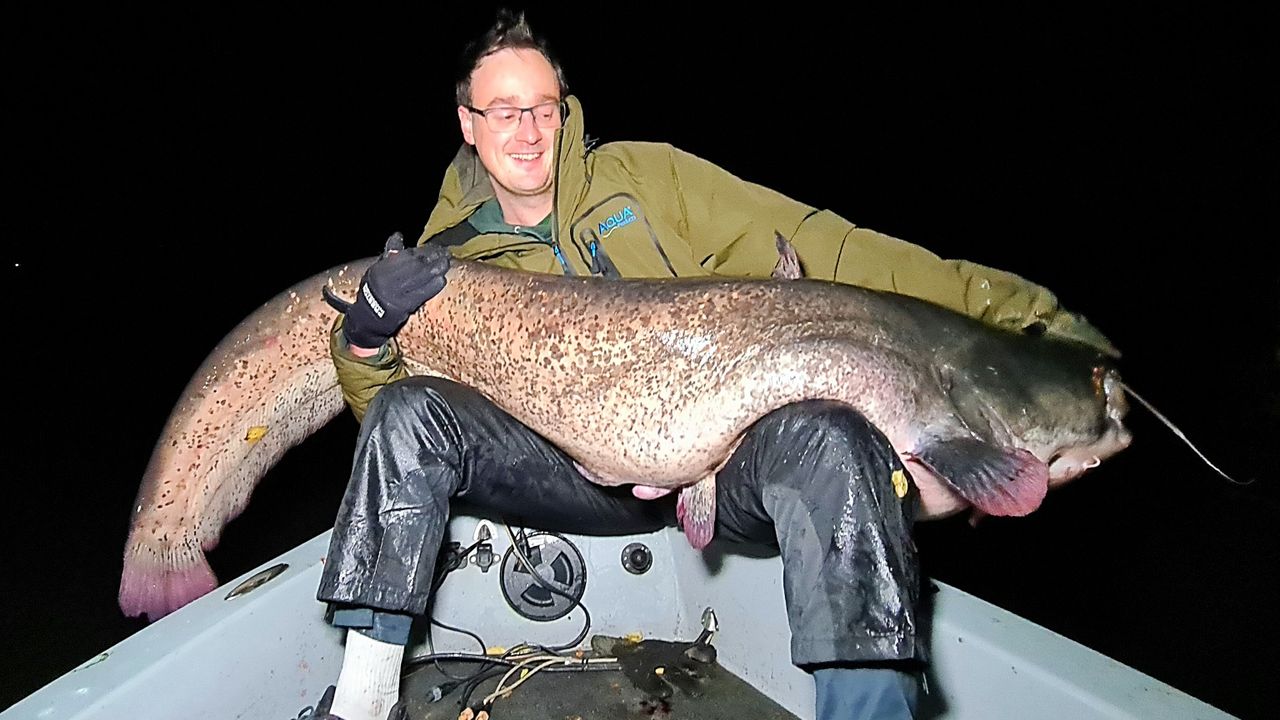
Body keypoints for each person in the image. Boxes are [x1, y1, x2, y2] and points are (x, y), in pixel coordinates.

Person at [301, 10, 1118, 720]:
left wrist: (1027, 313)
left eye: (544, 107)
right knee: (411, 413)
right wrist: (368, 340)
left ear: (565, 111)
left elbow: (837, 247)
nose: (528, 130)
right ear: (467, 122)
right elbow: (387, 424)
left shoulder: (652, 179)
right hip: (555, 468)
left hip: (725, 462)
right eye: (505, 110)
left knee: (833, 436)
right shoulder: (448, 262)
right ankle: (365, 697)